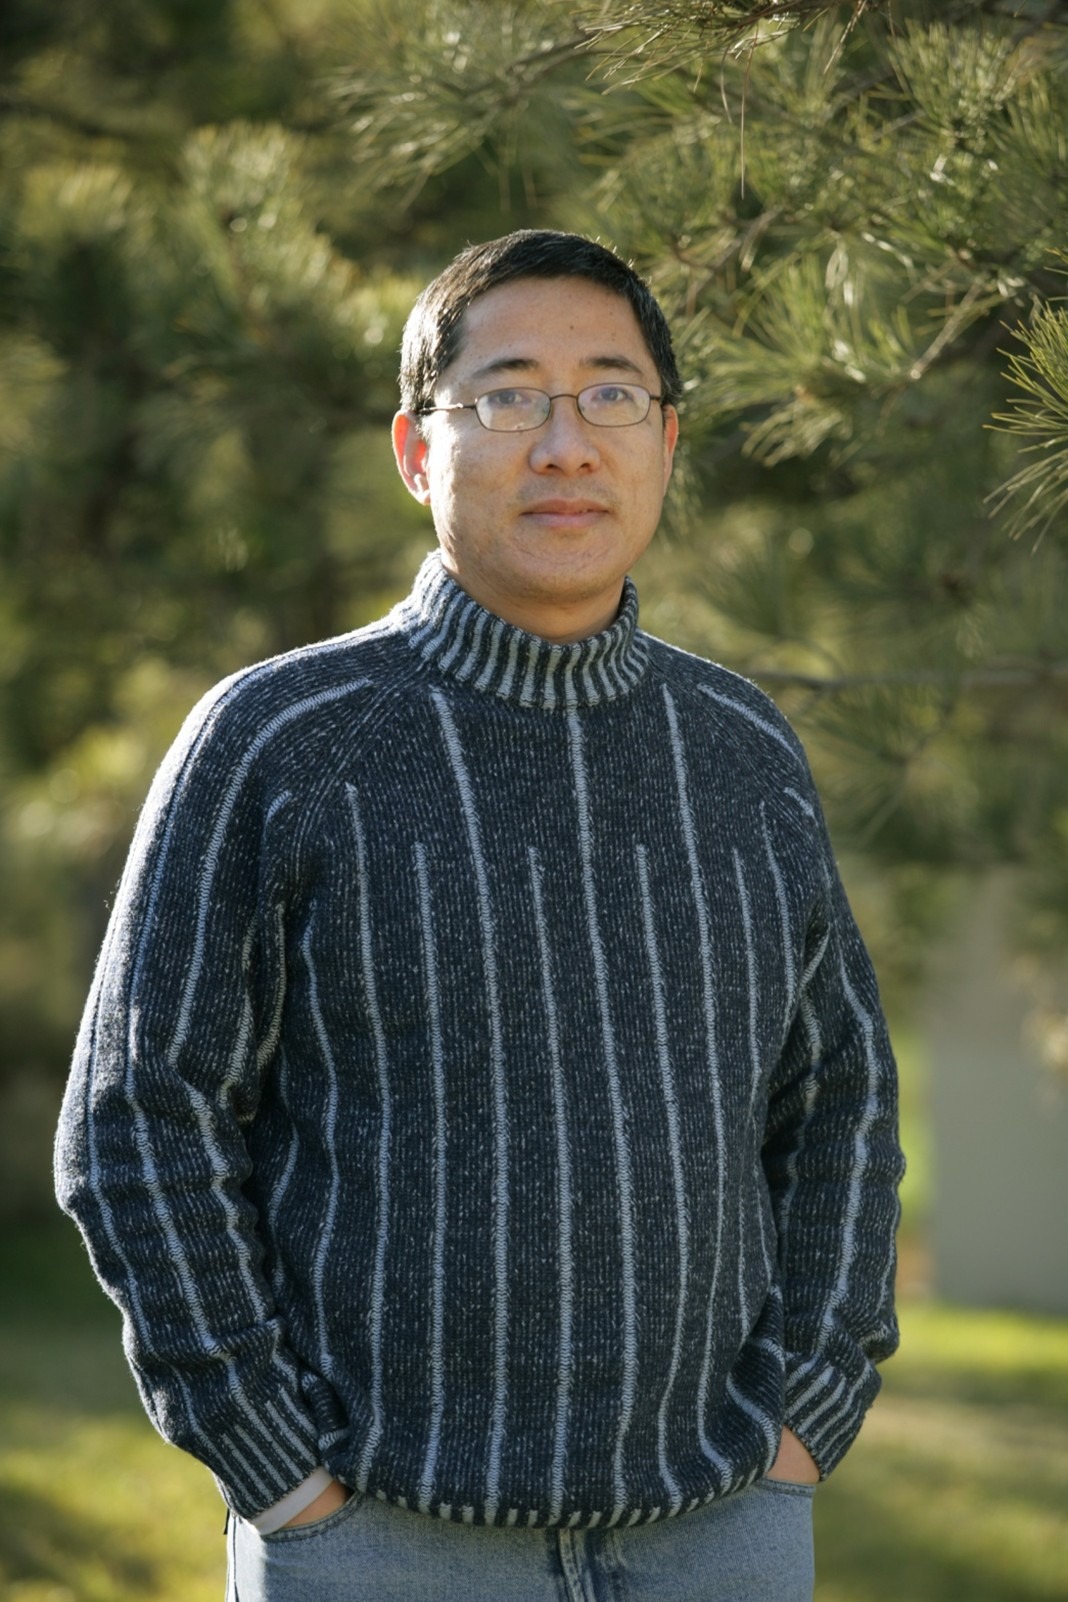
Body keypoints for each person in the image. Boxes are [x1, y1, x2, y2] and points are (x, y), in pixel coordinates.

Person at [55, 229, 904, 1602]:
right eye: (508, 397)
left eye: (611, 394)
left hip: (721, 1530)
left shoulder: (746, 750)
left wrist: (806, 1415)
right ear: (415, 448)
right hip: (377, 1541)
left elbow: (842, 1100)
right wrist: (281, 1474)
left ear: (666, 441)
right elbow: (137, 1119)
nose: (566, 445)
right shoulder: (279, 741)